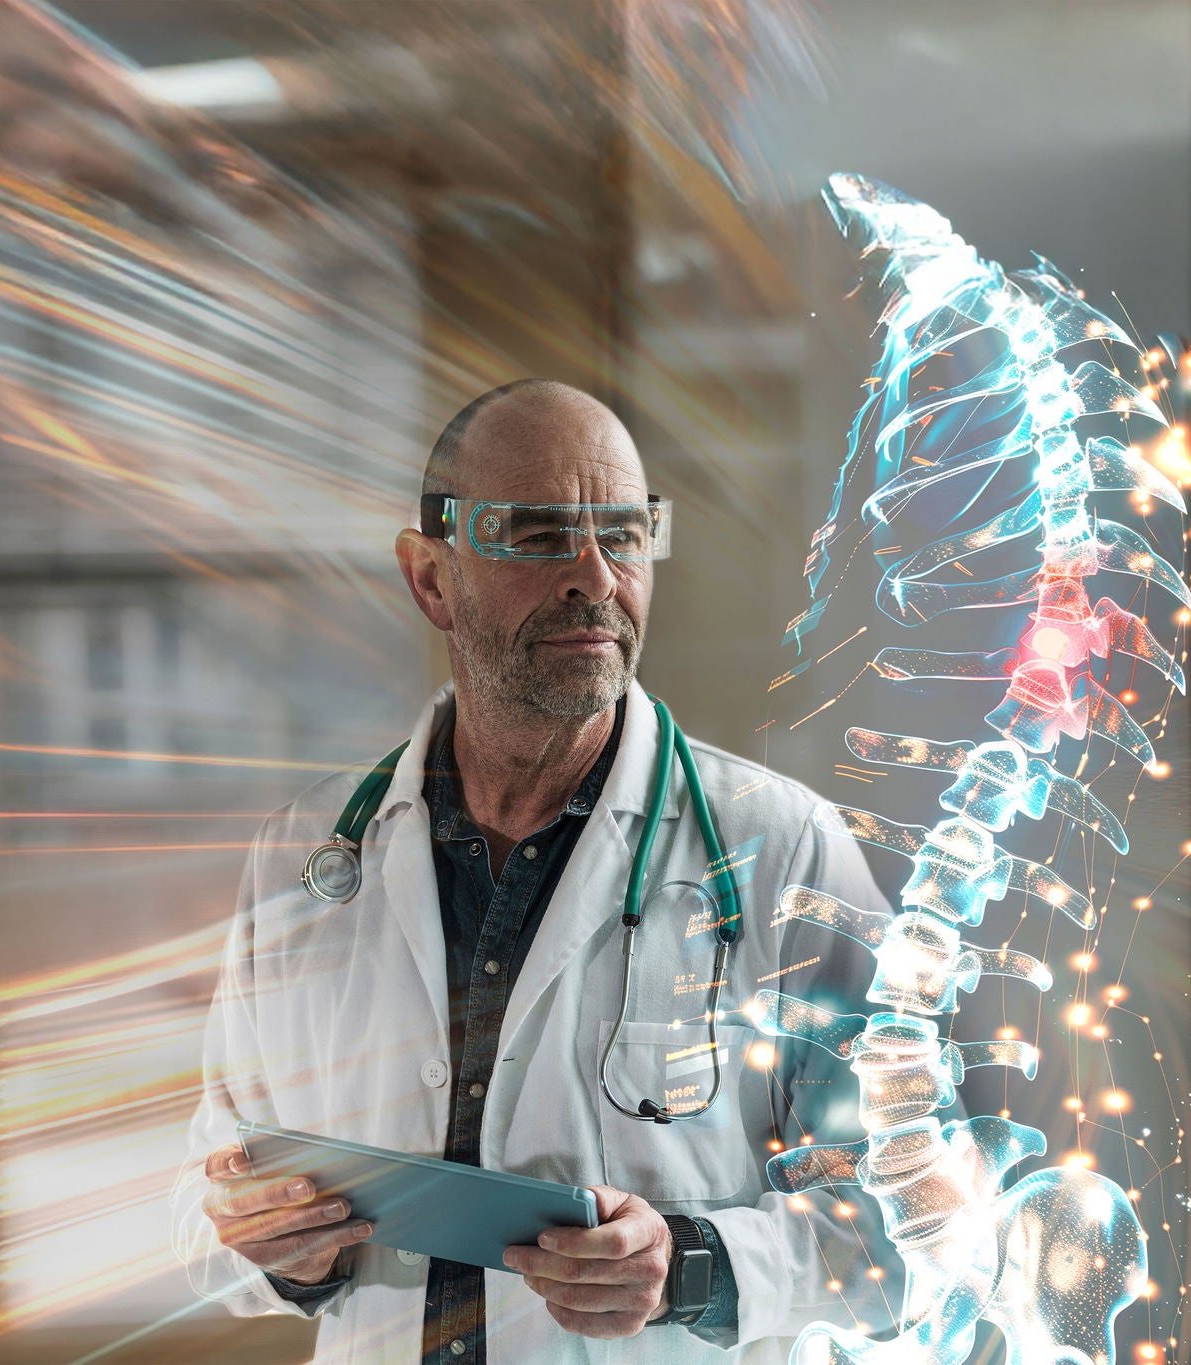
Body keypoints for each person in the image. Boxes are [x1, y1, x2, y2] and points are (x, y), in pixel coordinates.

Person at [170, 380, 898, 1363]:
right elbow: (206, 1195)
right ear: (429, 578)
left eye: (624, 534)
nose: (594, 577)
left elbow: (919, 1213)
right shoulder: (305, 861)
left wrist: (694, 1264)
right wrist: (273, 1244)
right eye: (538, 534)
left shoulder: (783, 851)